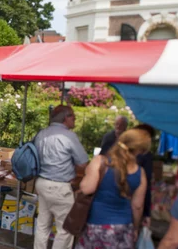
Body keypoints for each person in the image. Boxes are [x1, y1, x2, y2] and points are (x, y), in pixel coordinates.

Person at [76, 129, 150, 249]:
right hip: (124, 228)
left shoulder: (100, 162)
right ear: (139, 151)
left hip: (96, 225)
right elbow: (137, 206)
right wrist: (135, 228)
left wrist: (87, 173)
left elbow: (86, 189)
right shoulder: (140, 173)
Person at [33, 105, 89, 249]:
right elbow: (83, 163)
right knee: (64, 229)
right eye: (73, 116)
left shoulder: (42, 133)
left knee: (42, 225)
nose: (75, 119)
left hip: (42, 183)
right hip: (60, 188)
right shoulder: (69, 136)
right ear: (66, 118)